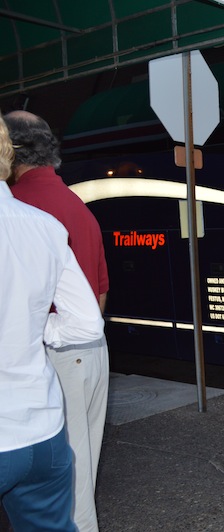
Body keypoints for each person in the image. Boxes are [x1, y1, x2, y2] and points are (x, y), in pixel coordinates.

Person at [5, 110, 110, 532]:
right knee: (78, 477)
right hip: (90, 351)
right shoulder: (73, 203)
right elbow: (99, 296)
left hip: (57, 359)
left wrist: (39, 333)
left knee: (70, 495)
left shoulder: (24, 205)